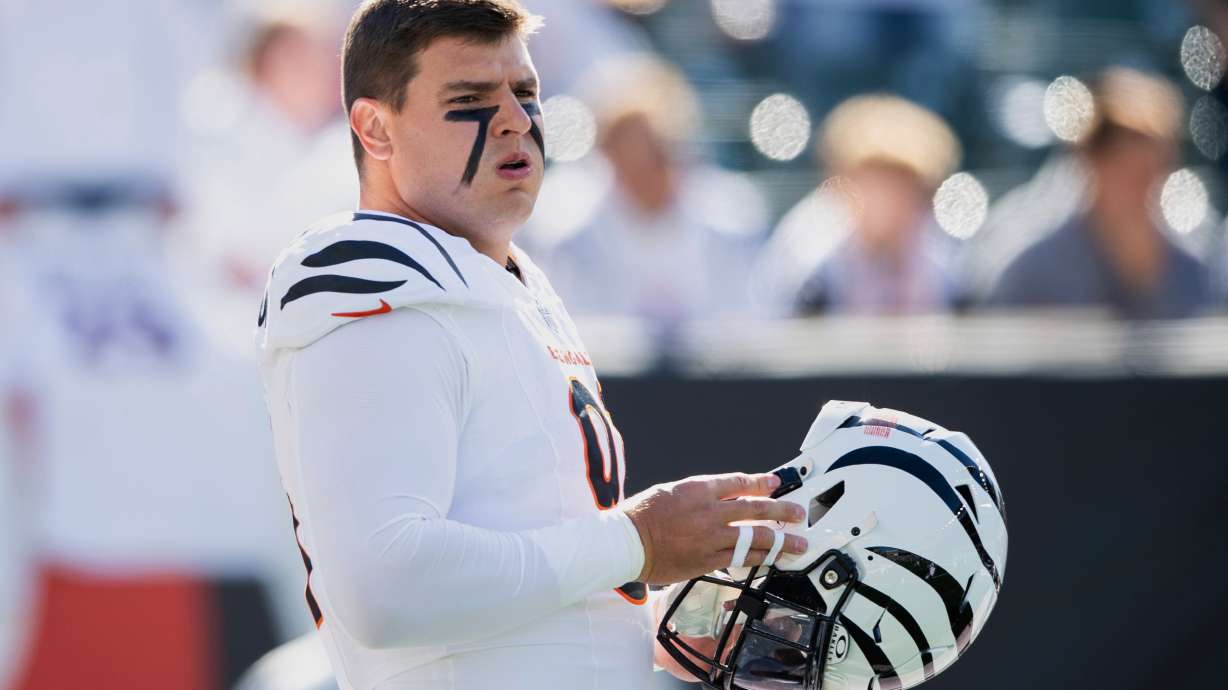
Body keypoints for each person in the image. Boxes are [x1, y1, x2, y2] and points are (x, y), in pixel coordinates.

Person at [255, 2, 807, 689]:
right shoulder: (379, 272)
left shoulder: (509, 284)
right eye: (470, 99)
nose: (515, 119)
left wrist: (689, 617)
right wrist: (636, 542)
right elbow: (385, 586)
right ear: (375, 127)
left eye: (525, 92)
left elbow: (546, 589)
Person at [535, 56, 769, 339]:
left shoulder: (733, 218)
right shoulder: (563, 225)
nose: (644, 160)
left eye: (659, 148)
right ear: (608, 149)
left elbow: (752, 325)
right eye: (629, 144)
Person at [985, 68, 1213, 319]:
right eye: (1125, 169)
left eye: (1153, 170)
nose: (1141, 186)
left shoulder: (1196, 266)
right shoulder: (1034, 270)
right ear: (1090, 162)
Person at [752, 94, 965, 316]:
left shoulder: (942, 259)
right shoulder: (810, 262)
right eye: (878, 181)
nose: (891, 199)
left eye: (904, 184)